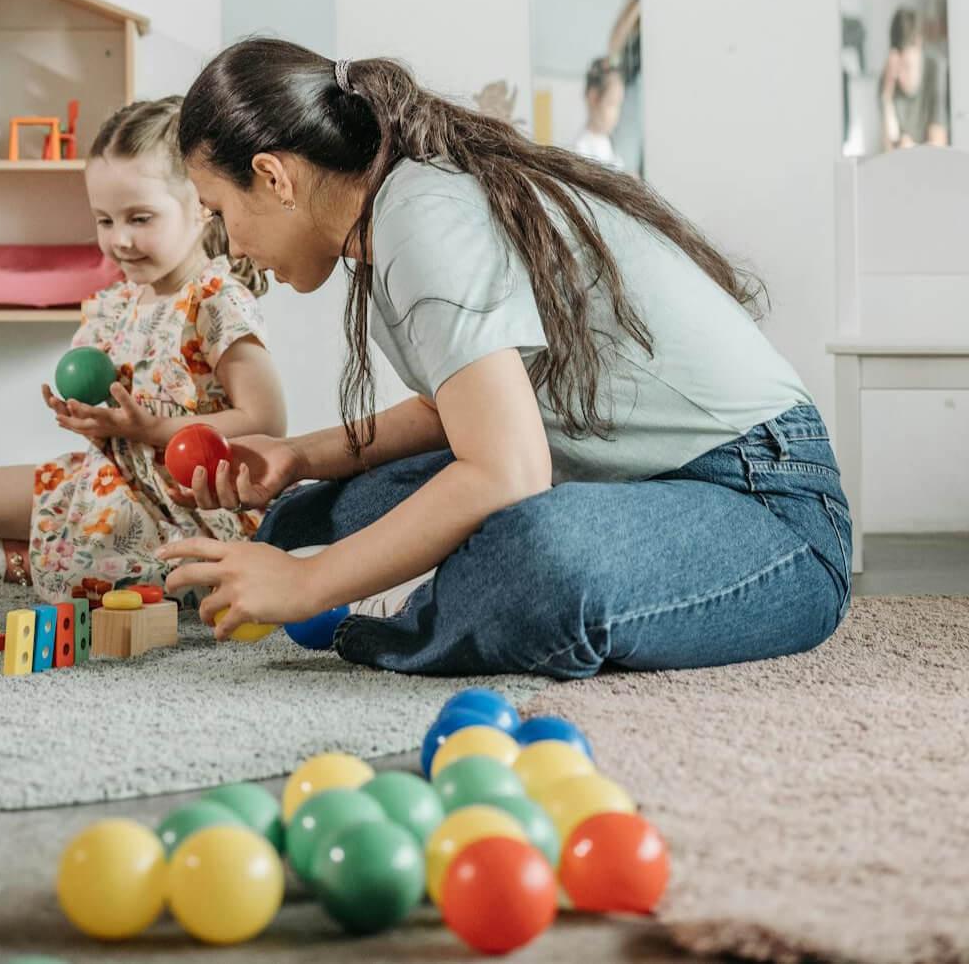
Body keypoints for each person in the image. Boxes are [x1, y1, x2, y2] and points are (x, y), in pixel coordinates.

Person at [157, 38, 852, 679]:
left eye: (218, 213)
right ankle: (403, 587)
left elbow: (506, 470)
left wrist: (309, 583)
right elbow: (457, 412)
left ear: (273, 176)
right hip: (625, 477)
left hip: (766, 506)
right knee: (330, 516)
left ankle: (409, 609)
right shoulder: (397, 211)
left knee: (537, 557)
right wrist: (298, 457)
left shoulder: (424, 219)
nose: (230, 245)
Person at [0, 97, 286, 599]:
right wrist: (90, 416)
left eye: (140, 218)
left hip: (186, 497)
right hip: (114, 475)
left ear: (200, 208)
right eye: (105, 221)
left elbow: (268, 422)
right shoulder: (119, 302)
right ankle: (56, 554)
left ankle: (82, 563)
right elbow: (115, 405)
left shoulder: (214, 301)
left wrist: (155, 429)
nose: (120, 240)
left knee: (96, 540)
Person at [880, 8, 949, 150]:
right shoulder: (888, 79)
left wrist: (911, 150)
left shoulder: (936, 70)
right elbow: (888, 149)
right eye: (898, 67)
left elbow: (939, 145)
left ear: (918, 46)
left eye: (906, 66)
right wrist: (886, 97)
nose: (900, 76)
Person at [569, 57, 625, 169]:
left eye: (619, 105)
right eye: (612, 103)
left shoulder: (608, 142)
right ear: (593, 98)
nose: (617, 113)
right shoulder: (581, 151)